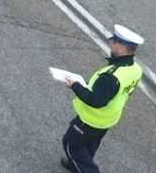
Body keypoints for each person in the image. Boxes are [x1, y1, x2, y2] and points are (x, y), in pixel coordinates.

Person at [61, 25, 145, 173]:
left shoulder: (111, 76)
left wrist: (75, 85)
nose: (110, 44)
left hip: (90, 120)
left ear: (122, 48)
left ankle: (82, 167)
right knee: (89, 146)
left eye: (114, 42)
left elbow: (95, 100)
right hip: (107, 120)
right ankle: (76, 166)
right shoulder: (135, 68)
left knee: (71, 145)